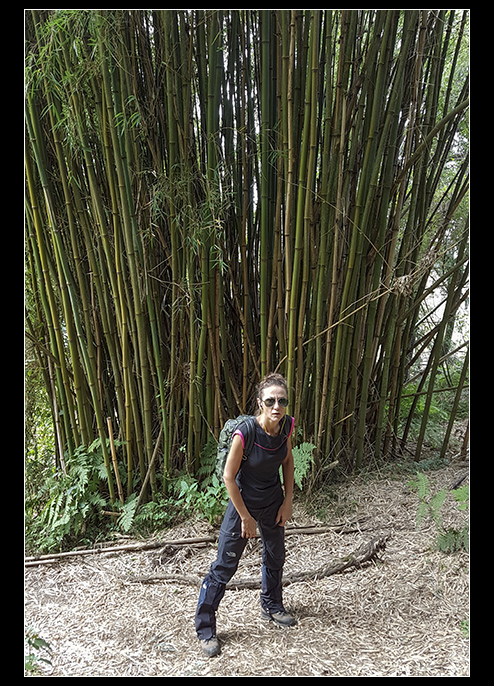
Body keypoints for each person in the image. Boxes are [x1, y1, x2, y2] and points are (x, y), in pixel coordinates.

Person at [195, 373, 296, 657]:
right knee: (225, 566)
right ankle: (205, 629)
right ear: (260, 403)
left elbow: (287, 460)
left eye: (282, 401)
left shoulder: (286, 425)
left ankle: (271, 605)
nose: (277, 406)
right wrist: (245, 517)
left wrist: (288, 500)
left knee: (276, 555)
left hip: (272, 500)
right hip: (243, 502)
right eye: (270, 401)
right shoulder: (246, 433)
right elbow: (229, 477)